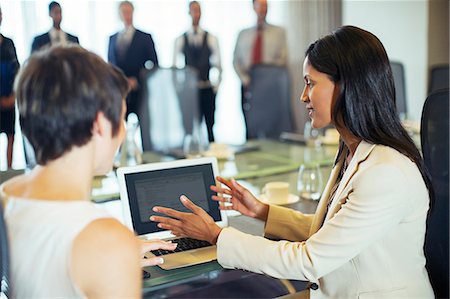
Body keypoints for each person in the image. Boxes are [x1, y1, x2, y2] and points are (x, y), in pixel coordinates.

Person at [151, 26, 435, 298]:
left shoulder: (386, 172)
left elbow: (309, 260)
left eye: (310, 83)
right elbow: (331, 231)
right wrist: (262, 211)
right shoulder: (353, 151)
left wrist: (215, 235)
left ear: (346, 85)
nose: (302, 96)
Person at [0, 46, 176, 297]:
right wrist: (114, 254)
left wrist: (111, 258)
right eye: (122, 118)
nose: (123, 132)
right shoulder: (108, 242)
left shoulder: (6, 196)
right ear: (101, 125)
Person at [233, 0, 287, 139]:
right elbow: (236, 61)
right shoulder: (243, 34)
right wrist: (245, 79)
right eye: (260, 6)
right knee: (250, 123)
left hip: (270, 86)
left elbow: (283, 59)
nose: (262, 9)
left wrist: (265, 74)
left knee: (270, 122)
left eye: (265, 6)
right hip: (249, 83)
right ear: (253, 7)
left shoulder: (278, 32)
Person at [173, 1, 222, 142]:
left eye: (198, 10)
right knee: (190, 129)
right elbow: (175, 67)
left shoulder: (211, 38)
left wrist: (215, 86)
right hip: (189, 91)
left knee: (210, 126)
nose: (196, 14)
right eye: (193, 11)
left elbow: (219, 65)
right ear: (189, 13)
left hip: (206, 89)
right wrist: (179, 89)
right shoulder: (181, 39)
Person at [108, 0, 158, 123]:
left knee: (144, 127)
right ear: (119, 14)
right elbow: (110, 65)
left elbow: (154, 65)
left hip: (139, 92)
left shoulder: (145, 37)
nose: (127, 15)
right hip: (120, 93)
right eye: (124, 12)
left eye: (129, 12)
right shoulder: (112, 39)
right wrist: (122, 81)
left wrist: (138, 79)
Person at [0, 6, 19, 169]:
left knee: (11, 135)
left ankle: (9, 171)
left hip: (10, 98)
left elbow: (17, 70)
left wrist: (13, 96)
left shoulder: (9, 43)